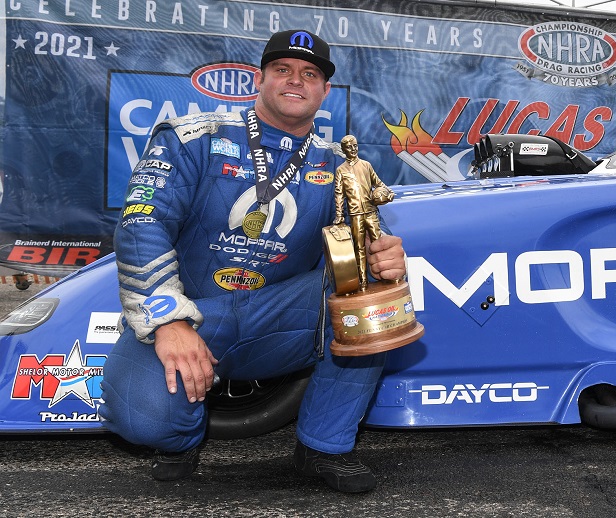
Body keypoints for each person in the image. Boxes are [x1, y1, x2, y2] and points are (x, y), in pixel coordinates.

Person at [99, 30, 405, 494]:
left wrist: (385, 258)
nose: (295, 80)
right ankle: (180, 439)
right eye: (282, 70)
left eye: (310, 74)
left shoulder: (338, 169)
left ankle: (324, 445)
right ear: (259, 80)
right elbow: (142, 225)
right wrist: (168, 321)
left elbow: (358, 249)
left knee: (371, 298)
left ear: (324, 91)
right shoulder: (193, 138)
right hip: (196, 315)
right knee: (145, 419)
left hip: (278, 319)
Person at [334, 135, 392, 291]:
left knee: (378, 245)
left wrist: (389, 192)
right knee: (358, 248)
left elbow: (378, 182)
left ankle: (385, 281)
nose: (353, 149)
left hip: (371, 212)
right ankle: (363, 281)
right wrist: (339, 215)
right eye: (349, 147)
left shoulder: (366, 165)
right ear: (344, 149)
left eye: (355, 145)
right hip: (355, 215)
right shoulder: (340, 170)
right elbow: (339, 194)